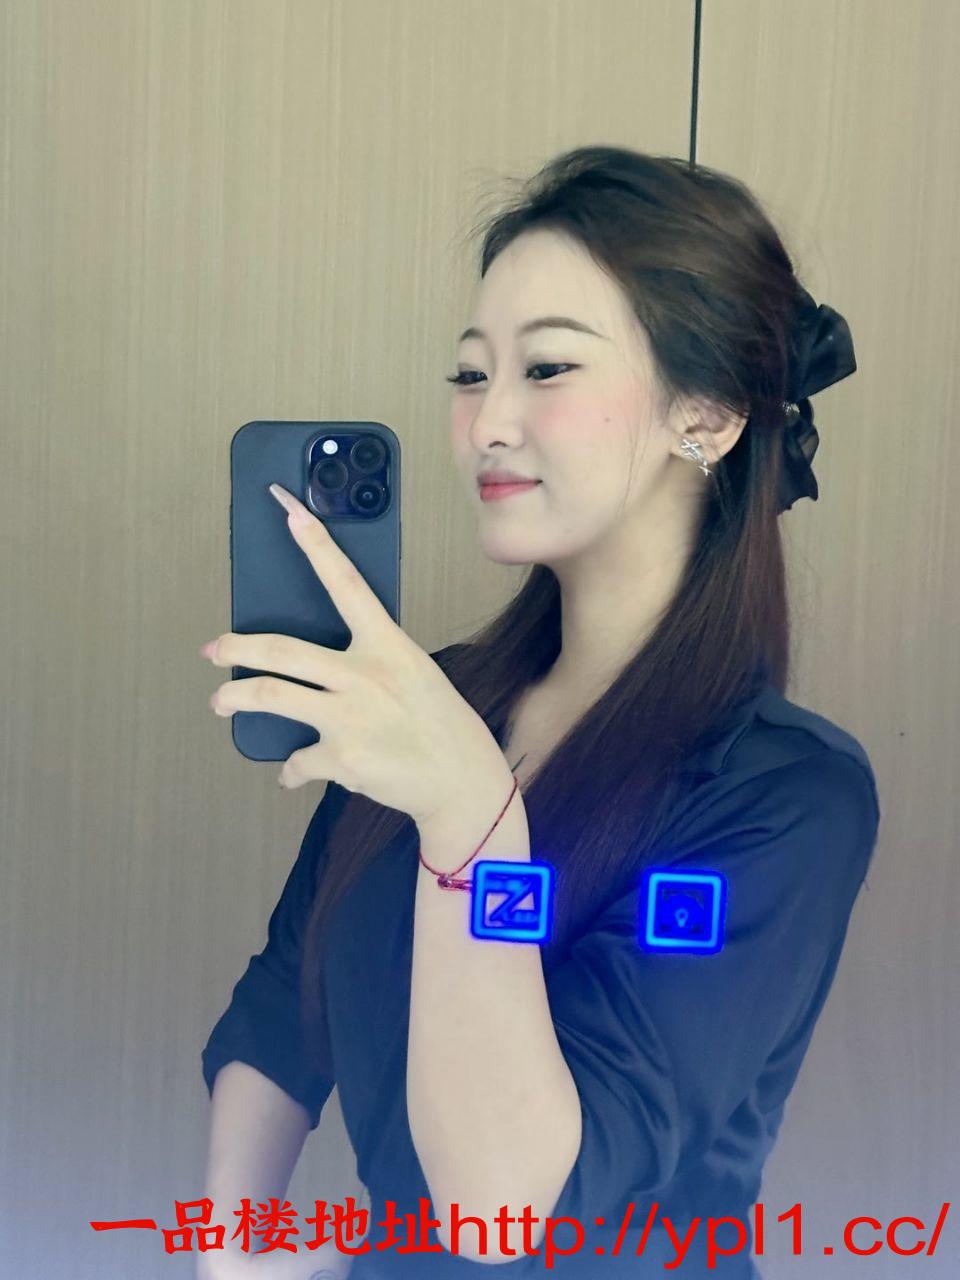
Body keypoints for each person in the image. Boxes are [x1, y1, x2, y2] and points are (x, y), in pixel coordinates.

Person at [198, 146, 879, 1279]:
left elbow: (508, 1215)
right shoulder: (441, 703)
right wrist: (234, 1244)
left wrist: (470, 814)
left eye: (548, 367)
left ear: (708, 414)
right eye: (471, 374)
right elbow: (285, 1000)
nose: (487, 422)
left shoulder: (786, 795)